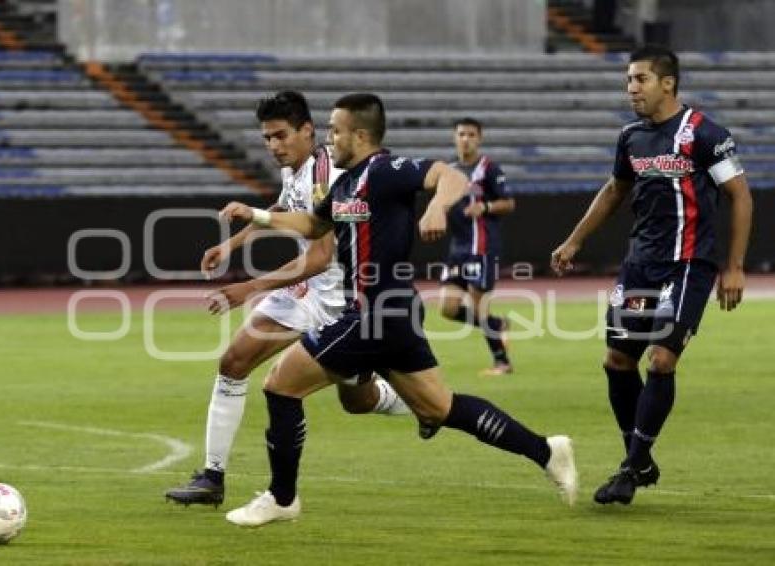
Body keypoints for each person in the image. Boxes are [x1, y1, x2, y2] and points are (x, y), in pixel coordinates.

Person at [220, 93, 577, 527]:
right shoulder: (345, 184)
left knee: (280, 386)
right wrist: (256, 215)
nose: (329, 139)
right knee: (438, 409)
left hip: (375, 312)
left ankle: (282, 497)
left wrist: (436, 208)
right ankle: (547, 450)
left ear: (361, 134)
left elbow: (451, 178)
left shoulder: (386, 170)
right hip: (392, 315)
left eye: (335, 130)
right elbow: (314, 225)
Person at [165, 91, 408, 508]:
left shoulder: (328, 173)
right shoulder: (296, 170)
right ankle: (212, 477)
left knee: (358, 399)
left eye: (280, 136)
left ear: (307, 131)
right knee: (234, 362)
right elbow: (284, 207)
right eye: (267, 138)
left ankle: (411, 400)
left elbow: (319, 255)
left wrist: (248, 288)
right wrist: (234, 244)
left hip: (338, 301)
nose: (274, 145)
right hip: (307, 294)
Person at [551, 46, 752, 505]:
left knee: (661, 360)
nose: (631, 88)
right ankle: (638, 459)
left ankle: (629, 467)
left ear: (668, 83)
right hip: (640, 263)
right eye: (628, 80)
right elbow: (615, 189)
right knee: (616, 362)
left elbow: (740, 196)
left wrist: (735, 265)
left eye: (640, 79)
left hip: (687, 265)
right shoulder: (631, 137)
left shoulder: (704, 134)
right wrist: (575, 239)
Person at [440, 117, 515, 376]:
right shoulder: (449, 172)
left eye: (471, 135)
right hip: (458, 248)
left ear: (479, 139)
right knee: (448, 309)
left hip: (481, 247)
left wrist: (485, 206)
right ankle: (496, 324)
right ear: (454, 137)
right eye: (461, 134)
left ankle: (502, 362)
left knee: (478, 304)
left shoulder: (489, 169)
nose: (466, 139)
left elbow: (508, 203)